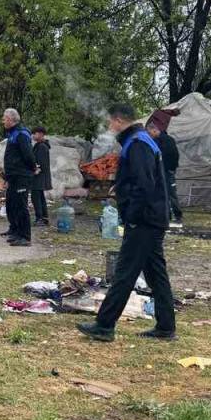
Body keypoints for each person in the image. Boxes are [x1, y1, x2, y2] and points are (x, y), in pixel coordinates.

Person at [78, 103, 177, 342]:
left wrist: (132, 215)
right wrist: (120, 187)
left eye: (111, 121)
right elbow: (139, 179)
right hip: (153, 217)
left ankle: (104, 325)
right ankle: (165, 326)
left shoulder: (137, 143)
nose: (110, 126)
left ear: (120, 120)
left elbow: (144, 184)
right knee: (155, 274)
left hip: (144, 219)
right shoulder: (141, 140)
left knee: (125, 272)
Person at [0, 108, 36, 246]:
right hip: (13, 176)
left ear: (10, 119)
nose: (3, 121)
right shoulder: (12, 134)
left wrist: (33, 168)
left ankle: (25, 237)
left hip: (22, 176)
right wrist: (7, 177)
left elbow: (28, 155)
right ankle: (15, 231)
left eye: (4, 118)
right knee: (12, 204)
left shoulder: (21, 134)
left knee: (21, 206)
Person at [146, 110, 184, 227]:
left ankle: (177, 217)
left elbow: (169, 156)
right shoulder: (168, 139)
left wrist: (167, 169)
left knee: (169, 194)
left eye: (150, 132)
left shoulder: (160, 141)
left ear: (155, 129)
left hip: (165, 171)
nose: (150, 134)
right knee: (166, 194)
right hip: (167, 170)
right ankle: (168, 216)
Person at [31, 126, 52, 226]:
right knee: (40, 197)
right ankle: (44, 218)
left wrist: (36, 170)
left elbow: (42, 163)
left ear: (40, 134)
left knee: (36, 198)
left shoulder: (42, 147)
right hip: (39, 176)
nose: (33, 136)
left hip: (39, 176)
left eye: (34, 133)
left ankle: (39, 218)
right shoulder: (39, 145)